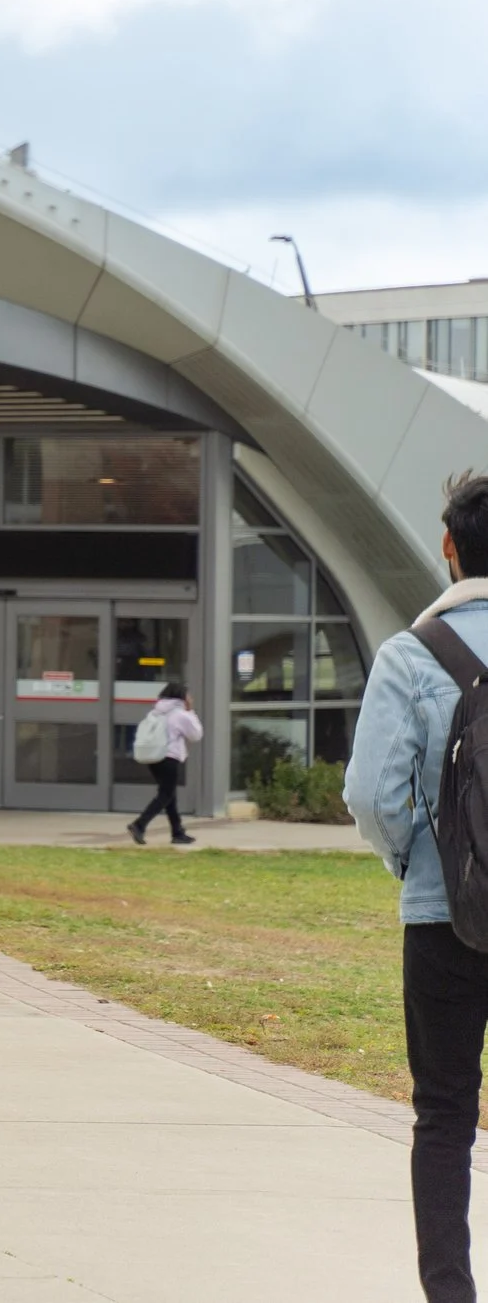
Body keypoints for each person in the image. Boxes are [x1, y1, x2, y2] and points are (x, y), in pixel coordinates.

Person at [349, 473, 488, 1302]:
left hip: (443, 920)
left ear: (449, 547)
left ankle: (451, 1292)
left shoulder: (413, 653)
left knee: (443, 1113)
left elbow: (371, 792)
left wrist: (417, 861)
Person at [127, 682, 200, 846]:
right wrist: (191, 712)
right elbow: (196, 735)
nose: (191, 698)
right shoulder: (180, 714)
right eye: (189, 695)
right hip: (169, 757)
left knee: (169, 796)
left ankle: (177, 832)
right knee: (166, 795)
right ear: (182, 697)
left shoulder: (156, 711)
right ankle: (139, 824)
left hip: (154, 757)